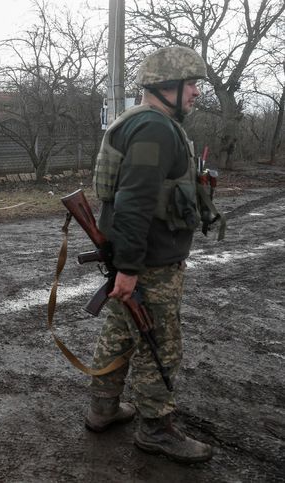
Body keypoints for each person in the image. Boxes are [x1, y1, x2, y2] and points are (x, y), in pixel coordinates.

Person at [85, 46, 213, 464]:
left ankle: (103, 410)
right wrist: (130, 269)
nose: (196, 92)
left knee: (121, 334)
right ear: (166, 86)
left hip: (140, 256)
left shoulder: (143, 124)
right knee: (160, 344)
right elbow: (136, 200)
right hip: (150, 262)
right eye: (191, 83)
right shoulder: (154, 129)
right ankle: (155, 428)